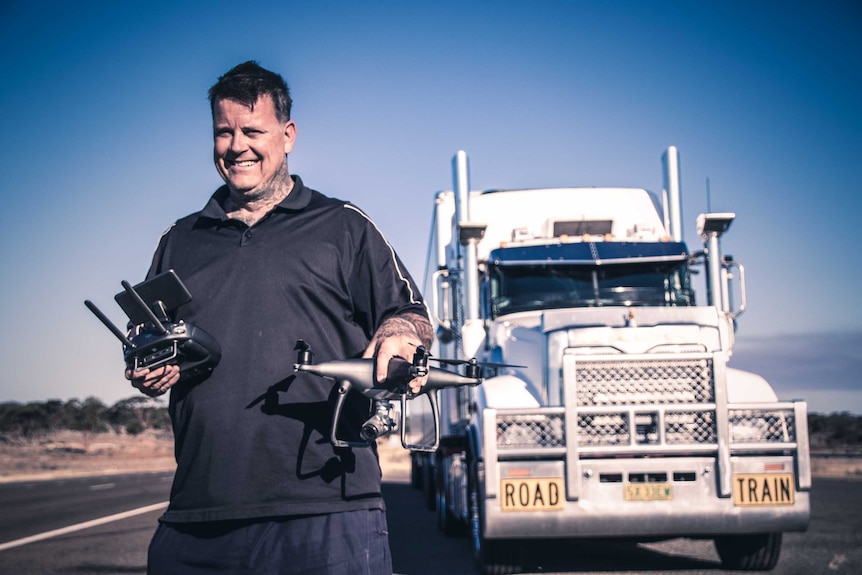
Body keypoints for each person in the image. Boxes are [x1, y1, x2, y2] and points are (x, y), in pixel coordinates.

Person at [126, 60, 433, 575]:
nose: (237, 145)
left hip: (328, 506)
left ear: (287, 136)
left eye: (253, 130)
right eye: (224, 132)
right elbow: (148, 340)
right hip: (199, 513)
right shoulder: (178, 240)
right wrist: (146, 366)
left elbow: (409, 312)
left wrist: (398, 336)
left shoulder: (343, 227)